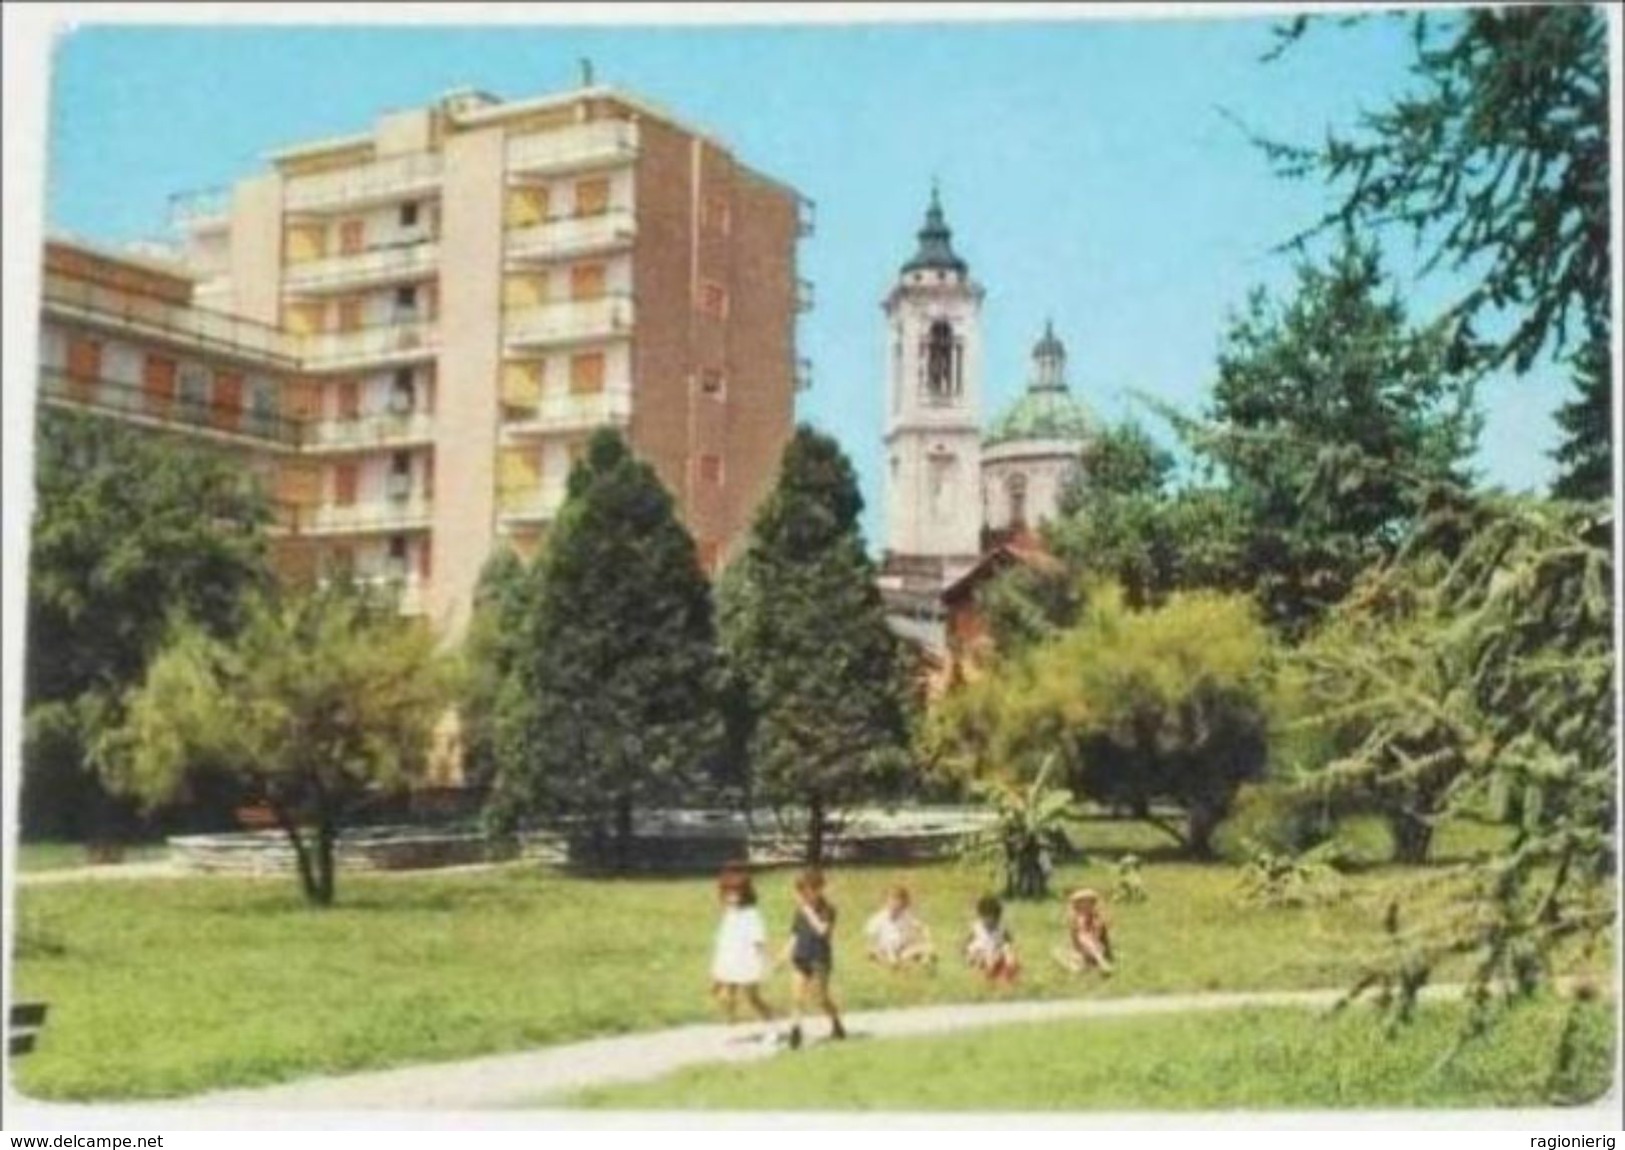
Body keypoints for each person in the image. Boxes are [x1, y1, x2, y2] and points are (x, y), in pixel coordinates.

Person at [782, 867, 847, 1049]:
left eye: (807, 889)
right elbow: (794, 935)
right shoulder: (800, 911)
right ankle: (795, 1031)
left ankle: (836, 1024)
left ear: (818, 889)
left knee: (821, 998)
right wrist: (783, 954)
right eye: (801, 890)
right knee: (796, 997)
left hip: (819, 958)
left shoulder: (828, 909)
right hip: (801, 956)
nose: (804, 894)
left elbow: (823, 931)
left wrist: (808, 911)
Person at [709, 866, 775, 1033]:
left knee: (752, 998)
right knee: (725, 997)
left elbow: (759, 941)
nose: (731, 896)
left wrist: (765, 961)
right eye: (728, 892)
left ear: (745, 893)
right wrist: (717, 971)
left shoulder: (751, 914)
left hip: (747, 961)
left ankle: (771, 1025)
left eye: (736, 892)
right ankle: (731, 1026)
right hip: (729, 961)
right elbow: (723, 941)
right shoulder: (729, 913)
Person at [862, 885, 938, 970]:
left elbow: (921, 926)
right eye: (892, 901)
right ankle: (894, 964)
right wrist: (876, 953)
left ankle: (924, 963)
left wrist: (927, 937)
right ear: (887, 902)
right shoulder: (878, 918)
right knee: (887, 954)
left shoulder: (905, 915)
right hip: (886, 950)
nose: (895, 905)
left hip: (903, 949)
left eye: (899, 903)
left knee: (929, 948)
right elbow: (870, 942)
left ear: (903, 904)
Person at [1054, 887, 1115, 976]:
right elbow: (1074, 939)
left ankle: (1100, 962)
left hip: (1097, 947)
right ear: (1077, 906)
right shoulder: (1075, 920)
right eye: (1082, 903)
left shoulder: (1096, 918)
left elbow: (1101, 936)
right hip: (1080, 948)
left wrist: (1098, 928)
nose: (1086, 906)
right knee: (1081, 942)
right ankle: (1097, 963)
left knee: (1089, 941)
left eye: (1089, 903)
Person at [964, 894, 1020, 983]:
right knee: (976, 953)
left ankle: (1007, 970)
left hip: (995, 952)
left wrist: (1008, 950)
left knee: (1007, 953)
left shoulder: (1001, 928)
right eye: (985, 916)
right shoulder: (977, 927)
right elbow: (967, 943)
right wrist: (969, 951)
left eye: (992, 916)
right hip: (981, 954)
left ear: (997, 916)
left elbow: (1009, 941)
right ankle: (987, 971)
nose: (988, 920)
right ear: (981, 915)